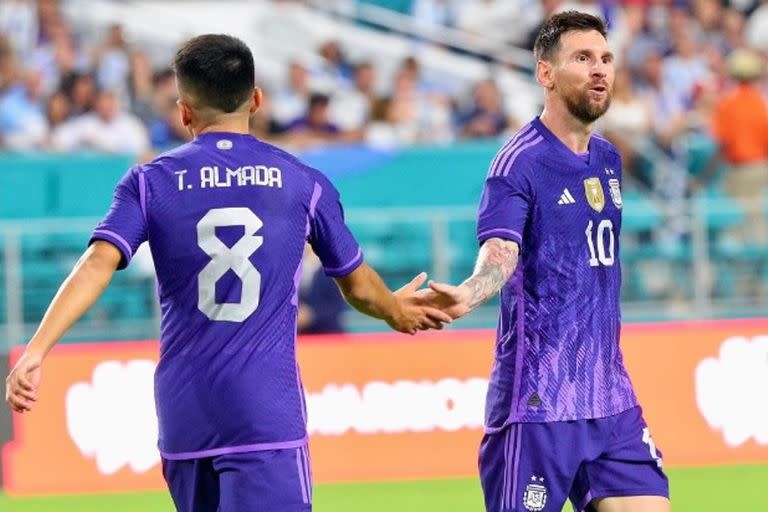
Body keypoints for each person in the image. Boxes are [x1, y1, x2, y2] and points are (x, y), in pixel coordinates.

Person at [5, 34, 451, 512]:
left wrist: (37, 349)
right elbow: (358, 285)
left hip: (185, 417)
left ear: (184, 111)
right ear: (257, 99)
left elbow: (97, 264)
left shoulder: (149, 181)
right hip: (265, 415)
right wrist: (397, 311)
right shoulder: (303, 182)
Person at [420, 12, 670, 512]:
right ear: (545, 73)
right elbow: (501, 251)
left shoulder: (607, 158)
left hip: (610, 397)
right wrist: (470, 292)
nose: (599, 70)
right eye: (582, 58)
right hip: (538, 401)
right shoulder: (519, 162)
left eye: (605, 59)